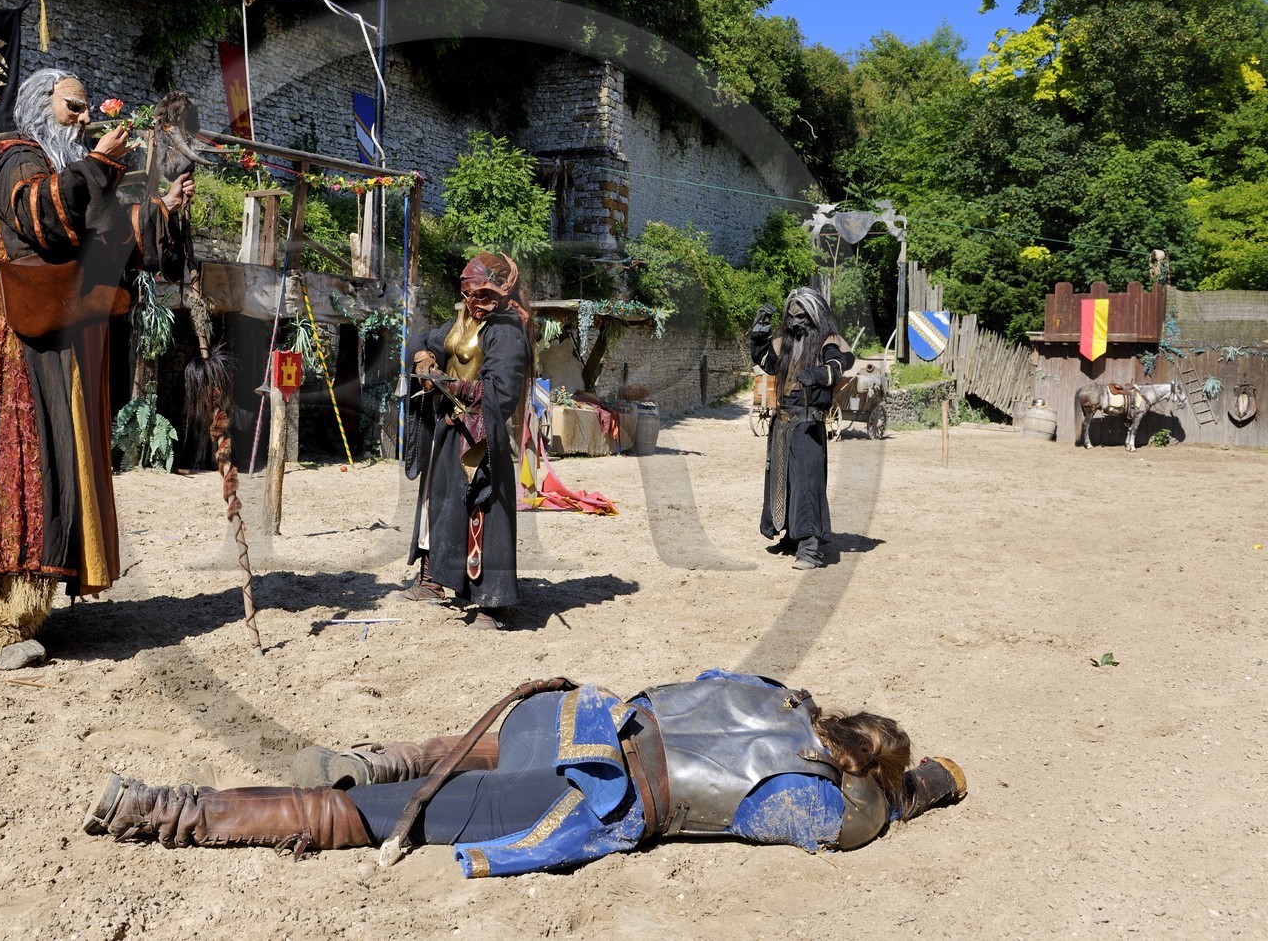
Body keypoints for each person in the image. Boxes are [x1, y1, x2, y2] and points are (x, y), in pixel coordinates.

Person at [81, 670, 967, 876]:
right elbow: (867, 816)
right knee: (382, 814)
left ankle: (384, 756)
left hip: (591, 716)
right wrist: (927, 783)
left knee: (488, 748)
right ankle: (171, 811)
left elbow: (698, 681)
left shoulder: (775, 694)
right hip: (592, 792)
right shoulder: (812, 799)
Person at [0, 68, 194, 669]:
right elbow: (41, 218)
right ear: (39, 105)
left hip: (65, 333)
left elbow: (104, 239)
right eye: (74, 106)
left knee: (59, 456)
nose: (85, 116)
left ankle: (31, 610)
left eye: (87, 106)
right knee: (20, 454)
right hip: (22, 342)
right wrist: (98, 165)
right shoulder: (12, 158)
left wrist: (161, 212)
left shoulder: (70, 168)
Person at [399, 253, 533, 630]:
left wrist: (447, 383)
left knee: (481, 513)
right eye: (469, 294)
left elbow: (501, 391)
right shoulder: (462, 323)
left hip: (481, 438)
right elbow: (422, 339)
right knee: (438, 504)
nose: (474, 302)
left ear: (502, 291)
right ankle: (432, 580)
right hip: (449, 429)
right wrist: (423, 358)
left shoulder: (507, 331)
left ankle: (493, 604)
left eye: (483, 294)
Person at [750, 287, 854, 570]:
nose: (795, 322)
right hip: (783, 425)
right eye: (791, 316)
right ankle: (790, 537)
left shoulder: (827, 341)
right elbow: (766, 362)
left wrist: (817, 374)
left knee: (806, 484)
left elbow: (838, 364)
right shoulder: (785, 343)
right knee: (782, 482)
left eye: (801, 316)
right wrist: (759, 333)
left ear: (813, 315)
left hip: (808, 424)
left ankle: (809, 548)